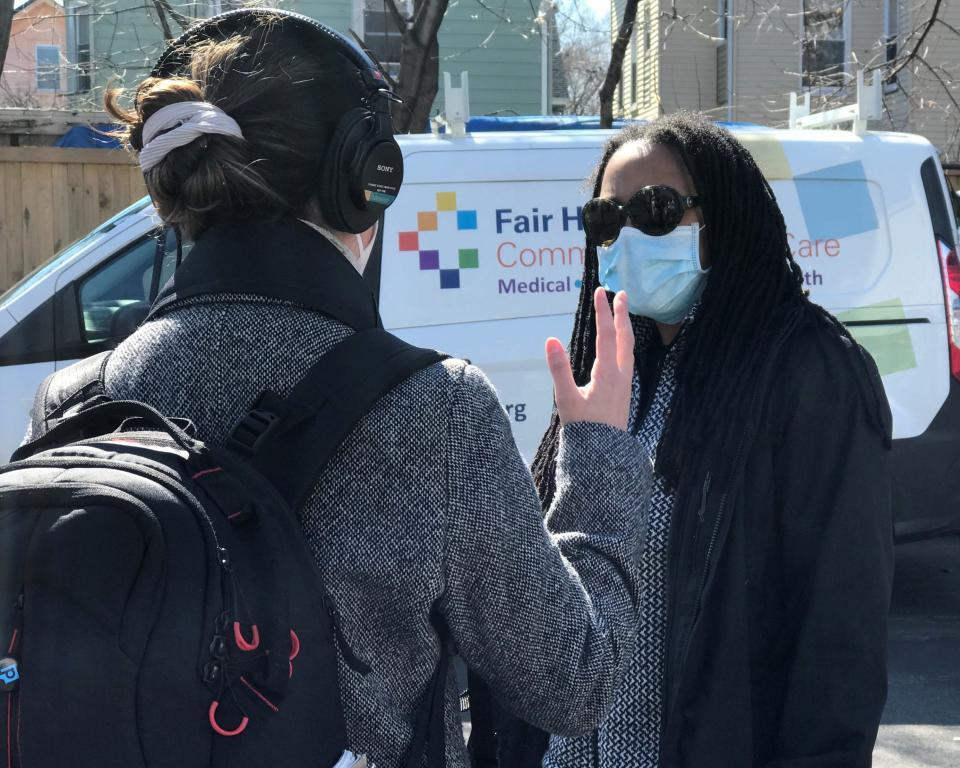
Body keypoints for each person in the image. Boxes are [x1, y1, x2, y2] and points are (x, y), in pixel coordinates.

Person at [23, 10, 650, 767]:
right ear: (363, 179)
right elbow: (572, 682)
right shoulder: (435, 410)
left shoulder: (72, 401)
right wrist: (599, 458)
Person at [489, 113, 895, 768]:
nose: (625, 237)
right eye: (605, 219)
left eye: (656, 210)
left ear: (724, 217)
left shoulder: (809, 371)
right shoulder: (621, 373)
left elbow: (839, 637)